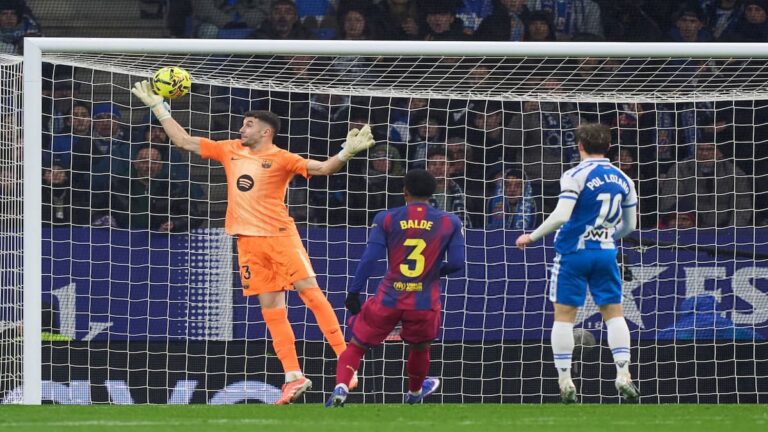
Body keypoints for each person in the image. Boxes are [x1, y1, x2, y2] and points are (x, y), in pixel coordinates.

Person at [131, 81, 376, 404]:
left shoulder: (283, 158)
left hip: (279, 237)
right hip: (247, 242)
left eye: (248, 124)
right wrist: (159, 107)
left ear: (265, 132)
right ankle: (293, 376)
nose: (241, 128)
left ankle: (346, 361)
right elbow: (185, 141)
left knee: (311, 294)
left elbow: (323, 168)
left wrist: (346, 152)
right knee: (272, 310)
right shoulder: (229, 149)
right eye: (242, 123)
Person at [515, 122, 639, 404]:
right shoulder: (624, 179)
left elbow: (561, 215)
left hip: (573, 252)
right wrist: (606, 236)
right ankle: (623, 374)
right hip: (606, 253)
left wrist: (531, 236)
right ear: (608, 146)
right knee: (614, 313)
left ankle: (565, 381)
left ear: (579, 146)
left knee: (564, 316)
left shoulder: (574, 174)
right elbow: (629, 225)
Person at [326, 169, 466, 407]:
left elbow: (370, 259)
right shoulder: (450, 222)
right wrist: (432, 272)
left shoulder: (387, 218)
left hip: (388, 298)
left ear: (405, 192)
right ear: (433, 193)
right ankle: (414, 393)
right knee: (420, 347)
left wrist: (354, 292)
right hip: (423, 302)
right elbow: (457, 264)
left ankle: (341, 386)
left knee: (357, 345)